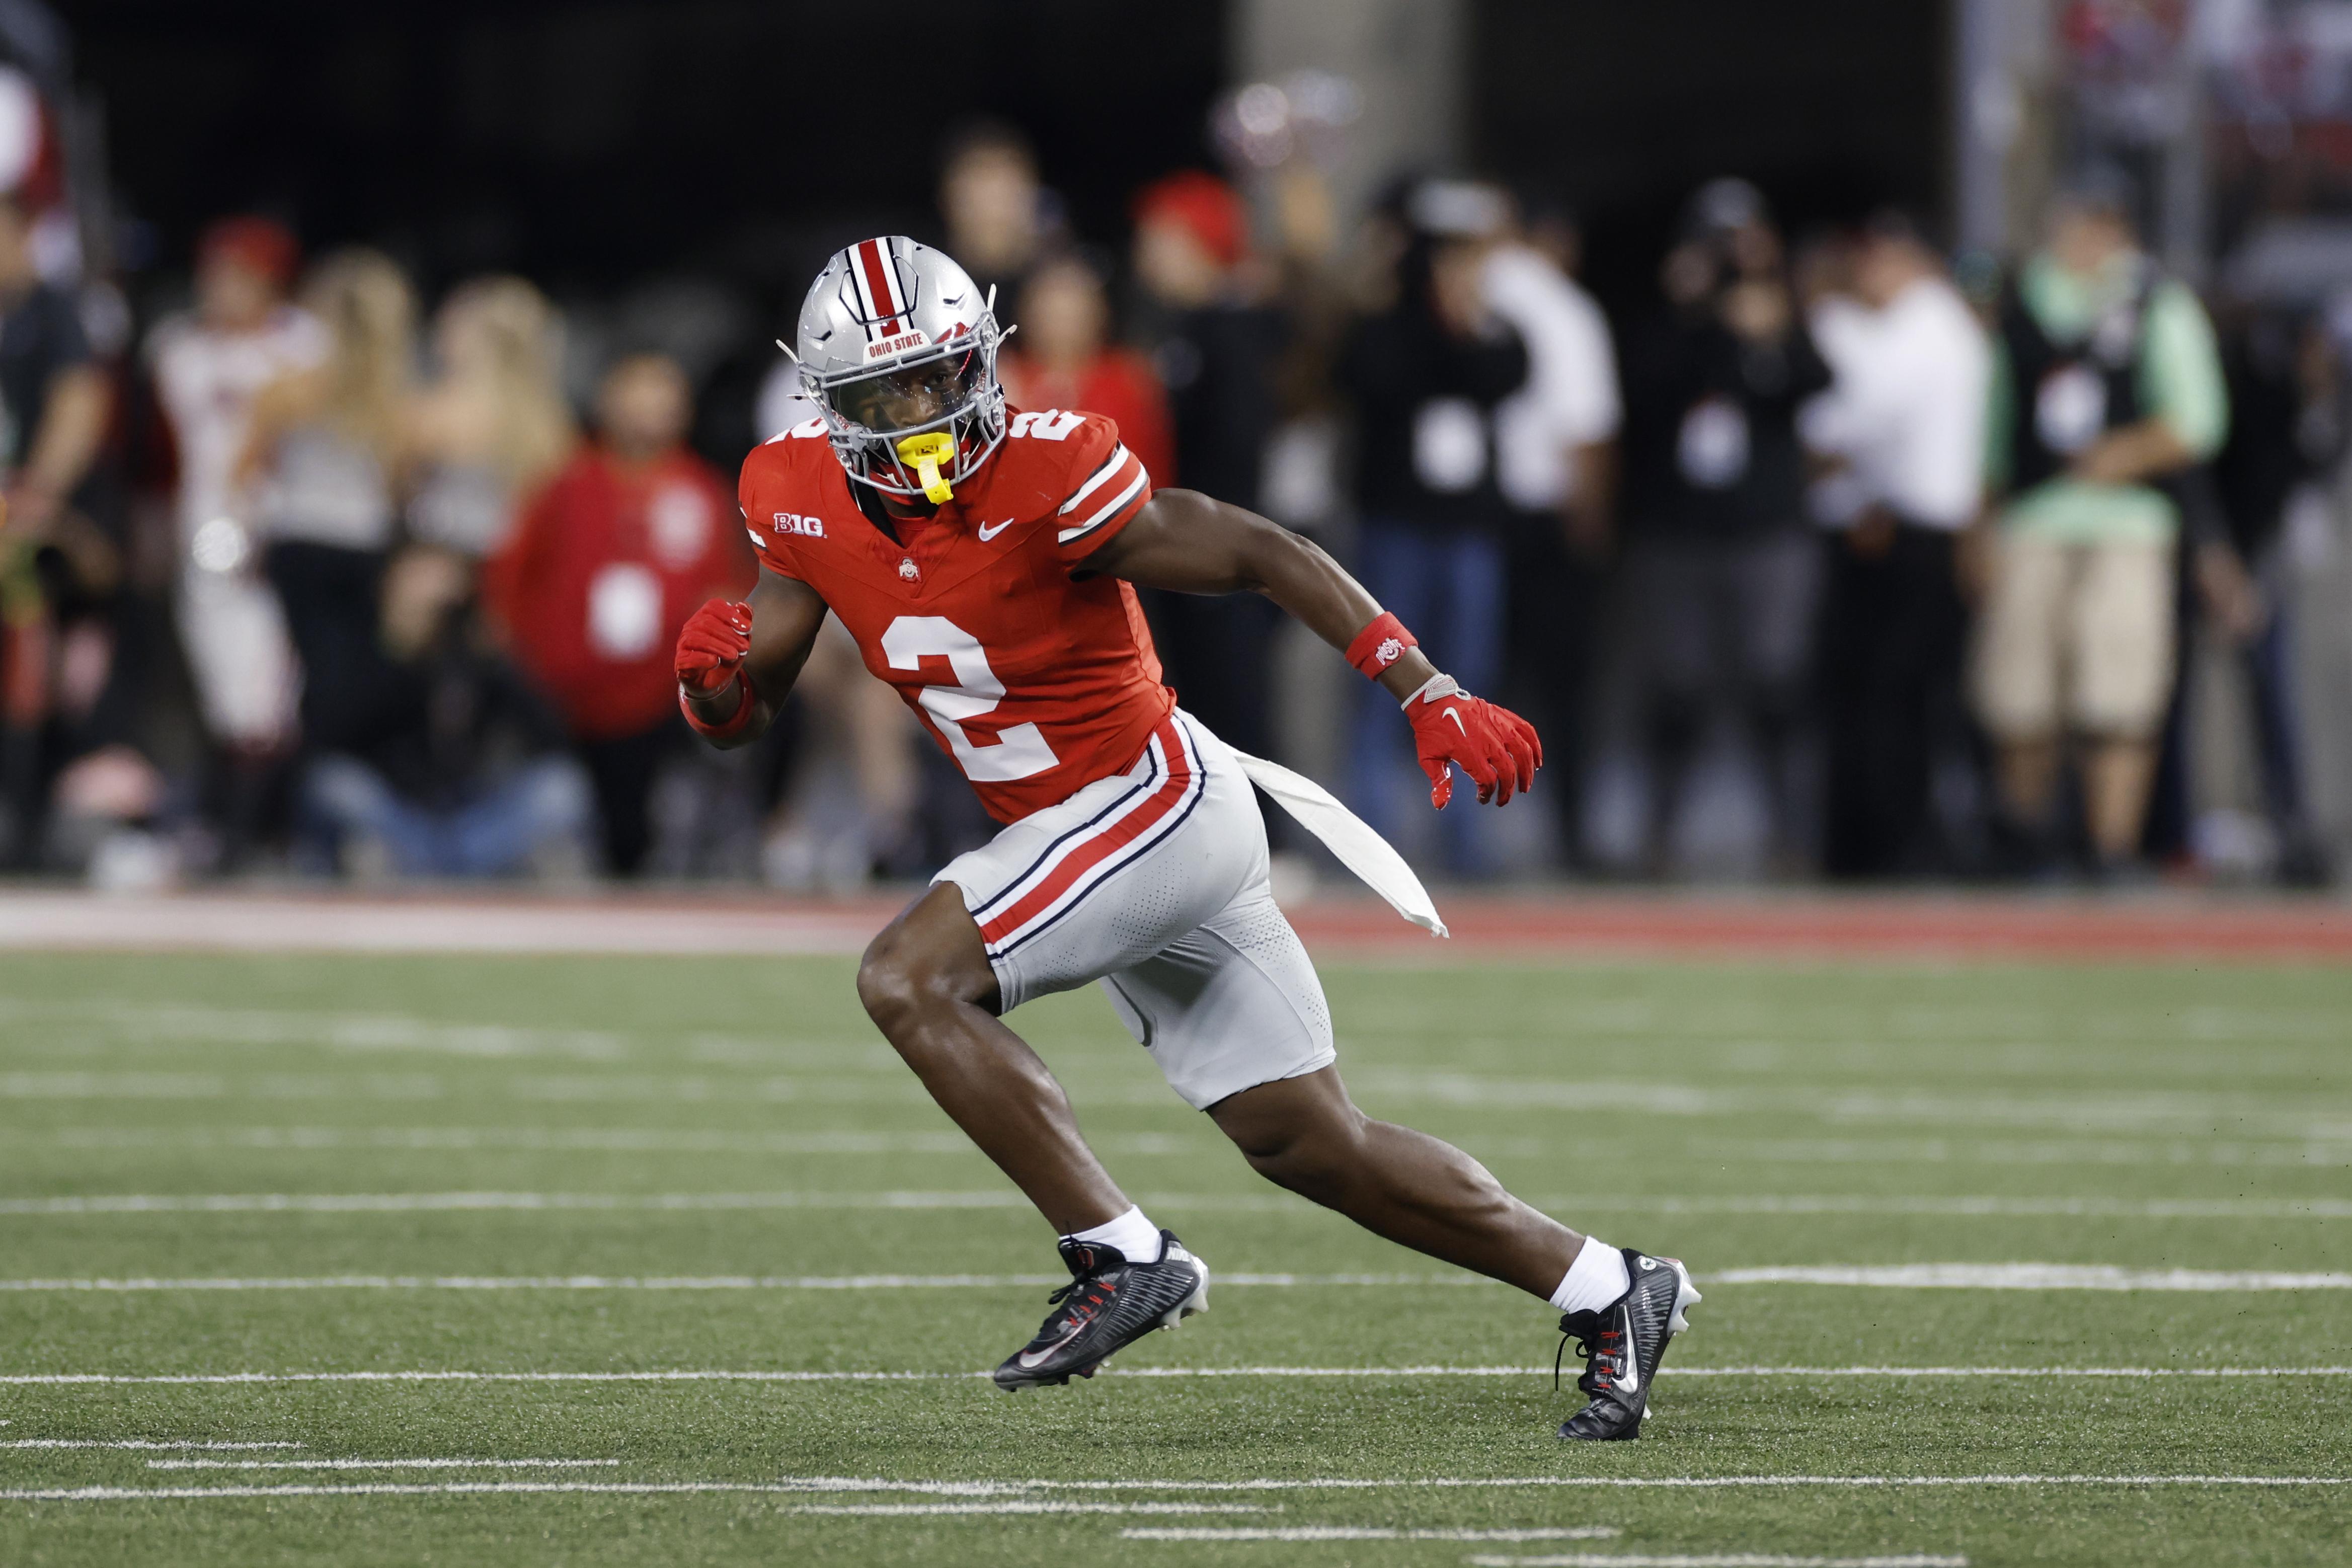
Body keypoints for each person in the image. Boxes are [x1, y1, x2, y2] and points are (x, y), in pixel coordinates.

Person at [675, 235, 1695, 1440]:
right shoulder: (789, 491)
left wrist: (1424, 689)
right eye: (881, 398)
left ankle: (1118, 1255)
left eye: (938, 380)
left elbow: (1261, 549)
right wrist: (710, 690)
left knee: (907, 978)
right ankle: (1609, 1288)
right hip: (1082, 838)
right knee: (1309, 1141)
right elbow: (752, 706)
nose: (918, 420)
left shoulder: (1051, 471)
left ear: (982, 362)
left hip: (1153, 805)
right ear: (826, 406)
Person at [1973, 175, 2228, 877]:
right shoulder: (2025, 301)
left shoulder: (2156, 302)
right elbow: (1994, 424)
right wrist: (1981, 519)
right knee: (2019, 695)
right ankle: (2027, 845)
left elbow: (2198, 421)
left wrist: (2125, 453)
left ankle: (2109, 848)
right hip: (2033, 517)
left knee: (2116, 696)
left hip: (2126, 522)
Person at [1608, 179, 1833, 875]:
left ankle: (1790, 837)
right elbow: (1643, 393)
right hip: (1677, 533)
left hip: (1765, 530)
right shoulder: (1668, 327)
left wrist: (1773, 319)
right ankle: (1660, 836)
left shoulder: (1774, 318)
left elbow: (1816, 380)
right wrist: (1694, 313)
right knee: (1675, 686)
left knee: (1777, 683)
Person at [483, 353, 750, 876]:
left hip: (659, 705)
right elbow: (508, 579)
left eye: (664, 396)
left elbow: (730, 588)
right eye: (638, 392)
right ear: (608, 399)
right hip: (560, 702)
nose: (649, 409)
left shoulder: (700, 492)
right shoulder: (564, 485)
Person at [1338, 179, 1530, 874]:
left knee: (1469, 682)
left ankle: (1468, 846)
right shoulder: (1386, 325)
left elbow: (1507, 373)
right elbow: (1377, 376)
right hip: (1397, 527)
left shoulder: (1492, 326)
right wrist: (1429, 318)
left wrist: (1465, 321)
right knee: (1383, 679)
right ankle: (1371, 844)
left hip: (1467, 529)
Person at [1804, 213, 1991, 877]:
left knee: (1893, 700)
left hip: (1913, 535)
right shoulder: (1915, 326)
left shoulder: (1925, 323)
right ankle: (1879, 843)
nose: (1864, 277)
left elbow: (1856, 415)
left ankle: (1894, 847)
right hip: (1901, 528)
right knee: (1885, 700)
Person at [145, 215, 326, 853]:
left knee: (281, 681)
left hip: (291, 527)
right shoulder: (180, 349)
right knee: (227, 678)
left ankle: (268, 825)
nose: (221, 288)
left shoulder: (306, 344)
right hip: (210, 528)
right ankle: (235, 824)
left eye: (239, 277)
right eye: (215, 274)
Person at [1125, 170, 1291, 765]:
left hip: (1220, 542)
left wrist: (1216, 546)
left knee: (1234, 695)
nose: (1147, 252)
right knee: (1202, 693)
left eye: (1160, 237)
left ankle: (1272, 836)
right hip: (1199, 540)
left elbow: (1238, 446)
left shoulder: (1230, 328)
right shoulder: (1187, 326)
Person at [301, 544, 592, 879]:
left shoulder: (472, 648)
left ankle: (458, 865)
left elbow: (552, 735)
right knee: (333, 785)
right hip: (398, 812)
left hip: (472, 817)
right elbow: (332, 737)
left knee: (561, 787)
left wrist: (498, 661)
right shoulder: (363, 642)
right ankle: (399, 862)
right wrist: (403, 651)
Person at [240, 249, 418, 789]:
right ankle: (321, 785)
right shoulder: (397, 402)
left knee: (313, 675)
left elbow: (248, 468)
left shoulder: (290, 388)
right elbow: (399, 486)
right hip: (358, 546)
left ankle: (313, 788)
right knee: (352, 674)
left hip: (303, 542)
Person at [1481, 194, 1621, 865]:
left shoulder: (1466, 291)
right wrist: (1590, 530)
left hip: (1474, 514)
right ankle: (1569, 836)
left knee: (1469, 679)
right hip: (1542, 516)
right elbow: (1585, 431)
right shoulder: (1561, 307)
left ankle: (1467, 843)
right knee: (1563, 689)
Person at [0, 185, 111, 862]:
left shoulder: (52, 313)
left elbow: (78, 408)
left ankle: (28, 818)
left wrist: (32, 500)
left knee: (29, 667)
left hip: (30, 529)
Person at [408, 275, 577, 559]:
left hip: (440, 554)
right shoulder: (552, 425)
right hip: (508, 558)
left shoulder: (439, 411)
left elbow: (400, 482)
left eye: (449, 327)